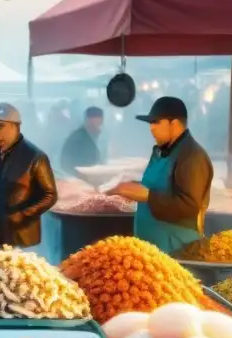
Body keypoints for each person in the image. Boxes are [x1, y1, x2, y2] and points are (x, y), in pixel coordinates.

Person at [110, 96, 213, 253]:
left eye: (156, 122)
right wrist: (133, 187)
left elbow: (189, 206)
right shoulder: (160, 151)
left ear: (174, 123)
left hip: (177, 250)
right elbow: (159, 185)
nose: (151, 128)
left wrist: (147, 196)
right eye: (150, 123)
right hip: (151, 249)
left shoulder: (192, 156)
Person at [0, 103, 57, 252]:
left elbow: (50, 195)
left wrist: (24, 214)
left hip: (21, 241)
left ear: (15, 127)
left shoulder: (35, 157)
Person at [59, 107, 105, 176]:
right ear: (89, 120)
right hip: (77, 177)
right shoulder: (77, 137)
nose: (100, 124)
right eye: (97, 121)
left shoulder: (97, 136)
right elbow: (66, 163)